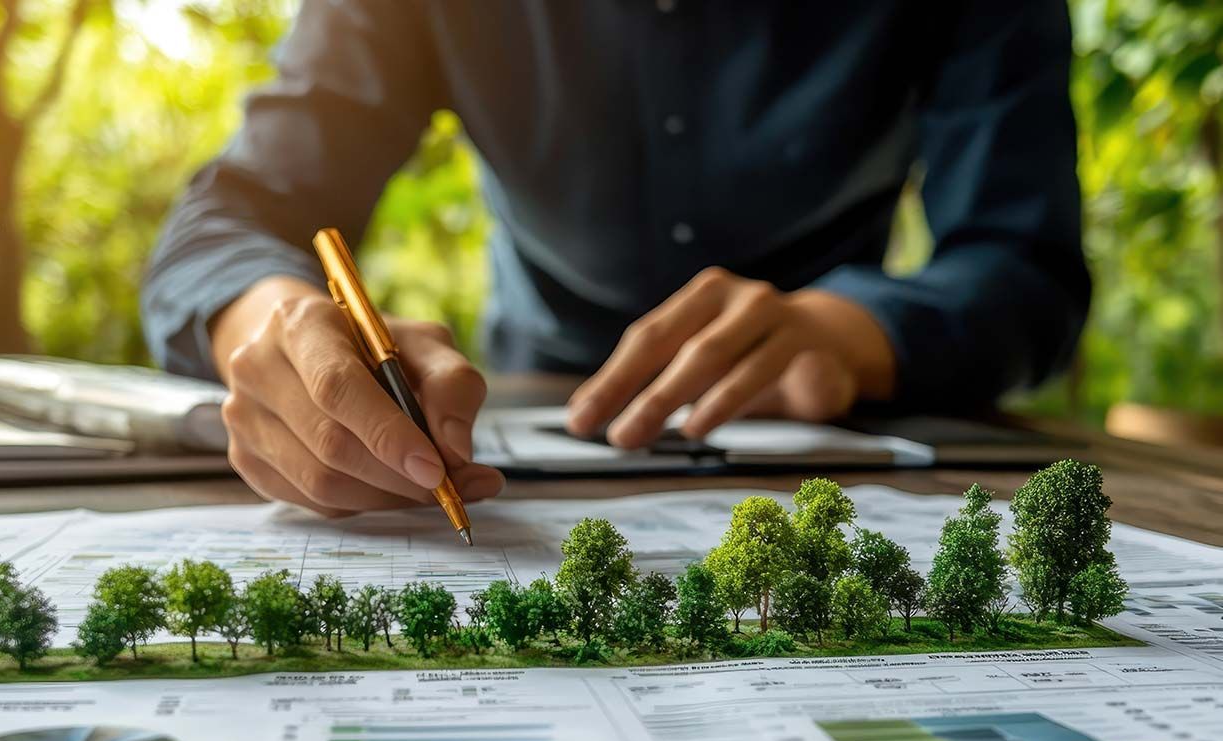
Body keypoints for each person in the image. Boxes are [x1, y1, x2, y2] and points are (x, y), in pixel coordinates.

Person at [143, 1, 1089, 517]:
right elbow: (226, 222)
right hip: (513, 417)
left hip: (847, 438)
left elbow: (1024, 264)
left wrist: (858, 332)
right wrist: (277, 330)